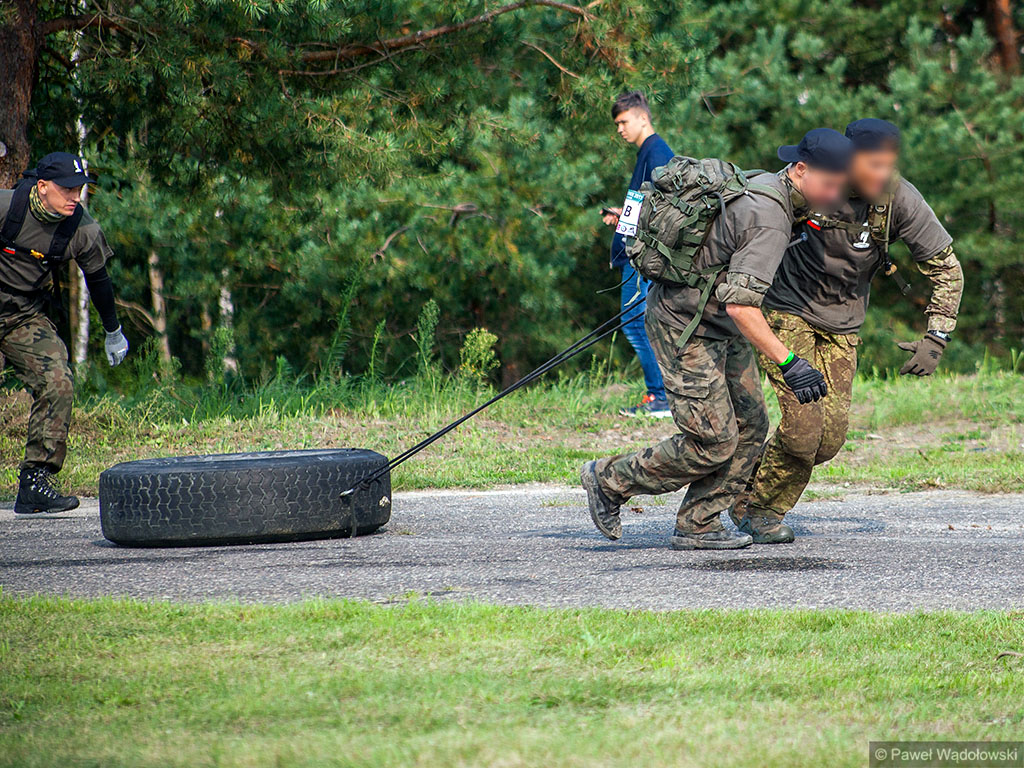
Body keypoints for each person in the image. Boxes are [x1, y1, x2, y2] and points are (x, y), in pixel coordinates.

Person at [581, 129, 853, 550]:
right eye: (830, 185)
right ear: (800, 170)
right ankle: (609, 480)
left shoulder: (773, 187)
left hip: (718, 327)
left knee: (749, 427)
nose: (835, 195)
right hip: (684, 325)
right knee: (712, 440)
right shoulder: (770, 216)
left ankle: (700, 523)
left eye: (841, 186)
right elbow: (742, 307)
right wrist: (790, 363)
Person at [730, 118, 963, 544]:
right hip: (787, 312)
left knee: (829, 439)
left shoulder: (897, 199)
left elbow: (948, 269)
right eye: (873, 164)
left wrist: (938, 336)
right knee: (803, 431)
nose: (882, 174)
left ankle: (743, 483)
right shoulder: (811, 184)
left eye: (888, 165)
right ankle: (758, 509)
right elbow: (747, 224)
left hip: (844, 325)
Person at [1, 152, 130, 515]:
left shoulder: (82, 230)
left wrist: (113, 330)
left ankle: (35, 482)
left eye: (80, 190)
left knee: (58, 380)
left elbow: (99, 281)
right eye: (68, 189)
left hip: (23, 315)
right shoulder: (7, 207)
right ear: (42, 187)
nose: (76, 197)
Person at [601, 90, 674, 418]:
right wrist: (623, 214)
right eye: (617, 124)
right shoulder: (647, 151)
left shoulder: (657, 152)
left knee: (635, 323)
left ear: (642, 118)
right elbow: (646, 203)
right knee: (637, 323)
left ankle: (660, 397)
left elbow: (665, 206)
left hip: (641, 256)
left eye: (623, 122)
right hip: (634, 251)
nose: (619, 129)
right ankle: (660, 395)